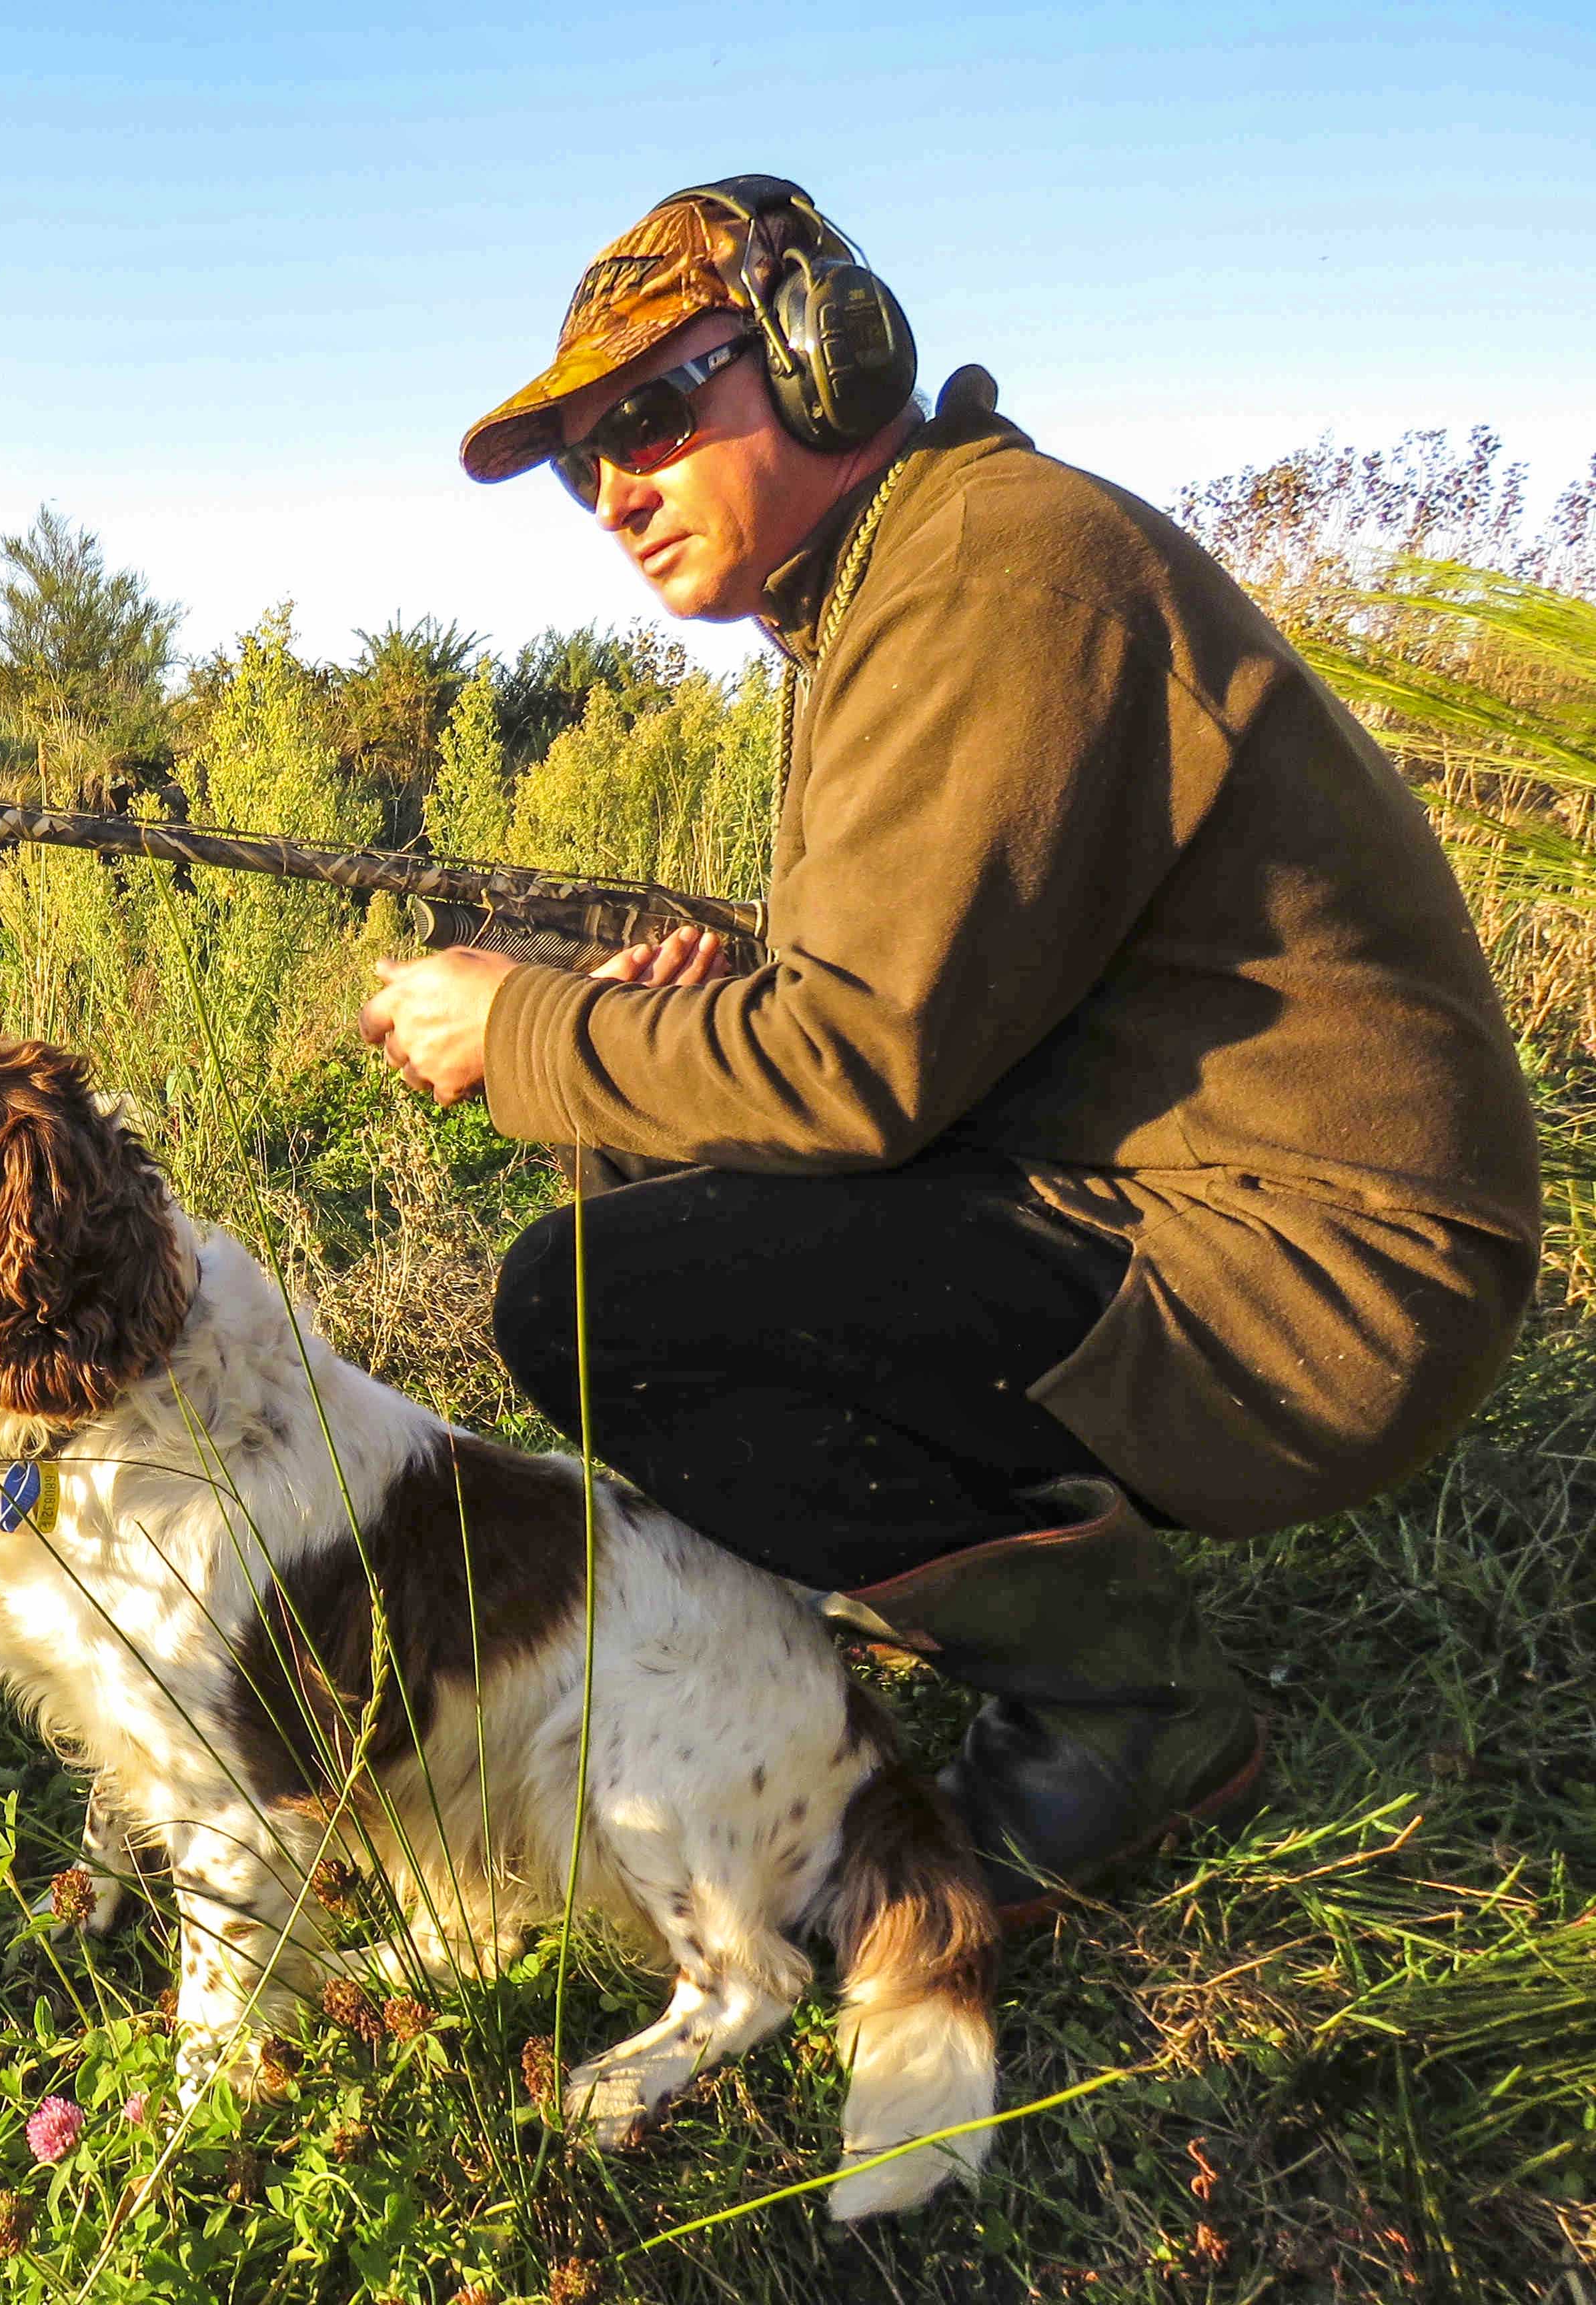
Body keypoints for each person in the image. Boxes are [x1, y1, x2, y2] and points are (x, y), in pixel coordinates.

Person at [358, 176, 1540, 1922]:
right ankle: (940, 1631)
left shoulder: (998, 566)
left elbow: (856, 1075)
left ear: (825, 355)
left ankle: (1128, 1716)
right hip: (1204, 1210)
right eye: (577, 459)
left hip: (1324, 1281)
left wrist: (531, 1027)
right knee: (670, 1204)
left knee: (588, 1301)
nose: (615, 488)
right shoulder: (897, 586)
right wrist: (698, 1015)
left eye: (657, 414)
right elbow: (924, 1002)